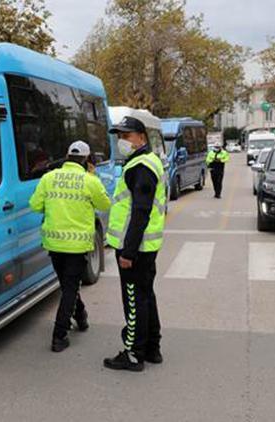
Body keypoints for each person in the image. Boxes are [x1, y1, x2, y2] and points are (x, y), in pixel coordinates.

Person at [29, 141, 111, 352]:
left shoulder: (48, 178)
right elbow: (105, 204)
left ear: (67, 155)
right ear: (86, 159)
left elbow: (35, 206)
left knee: (68, 285)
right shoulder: (89, 180)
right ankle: (59, 335)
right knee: (70, 287)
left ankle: (81, 317)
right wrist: (93, 177)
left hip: (54, 243)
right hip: (77, 245)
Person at [103, 116, 167, 372]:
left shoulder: (141, 166)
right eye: (119, 136)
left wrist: (128, 251)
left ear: (141, 137)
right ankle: (152, 348)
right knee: (145, 296)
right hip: (145, 247)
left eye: (126, 136)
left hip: (136, 248)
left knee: (133, 300)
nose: (122, 141)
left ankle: (133, 353)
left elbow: (141, 212)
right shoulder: (146, 161)